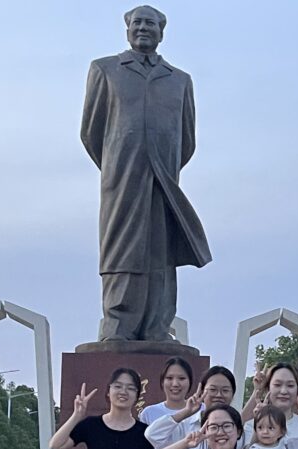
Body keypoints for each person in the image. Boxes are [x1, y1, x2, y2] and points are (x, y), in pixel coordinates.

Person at [81, 5, 211, 341]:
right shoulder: (106, 70)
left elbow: (187, 137)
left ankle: (157, 326)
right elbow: (92, 132)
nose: (143, 28)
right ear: (126, 29)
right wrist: (120, 159)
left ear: (161, 31)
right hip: (121, 177)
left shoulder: (179, 80)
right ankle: (118, 325)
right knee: (121, 247)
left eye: (150, 23)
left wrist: (161, 162)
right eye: (137, 22)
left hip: (165, 179)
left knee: (160, 250)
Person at [144, 366, 236, 449]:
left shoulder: (236, 428)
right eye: (212, 390)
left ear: (233, 394)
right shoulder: (186, 425)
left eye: (225, 390)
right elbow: (152, 435)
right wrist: (186, 412)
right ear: (201, 391)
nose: (218, 395)